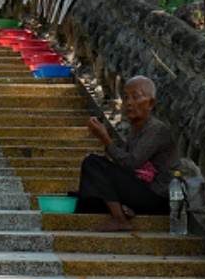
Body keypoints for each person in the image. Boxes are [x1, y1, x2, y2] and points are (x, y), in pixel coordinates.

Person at [75, 76, 183, 232]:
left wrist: (105, 139)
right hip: (141, 190)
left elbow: (131, 163)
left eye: (135, 97)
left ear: (150, 103)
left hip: (158, 197)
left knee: (92, 163)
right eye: (125, 98)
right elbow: (127, 166)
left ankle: (119, 219)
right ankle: (123, 210)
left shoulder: (156, 130)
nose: (129, 103)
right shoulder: (135, 130)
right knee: (88, 200)